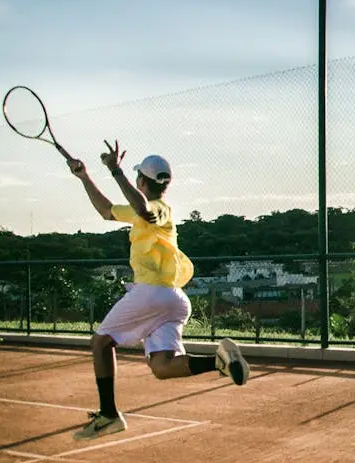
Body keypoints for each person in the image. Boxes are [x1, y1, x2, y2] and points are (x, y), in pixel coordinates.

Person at [67, 140, 249, 440]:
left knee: (100, 343)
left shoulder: (160, 209)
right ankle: (220, 361)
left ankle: (109, 415)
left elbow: (143, 207)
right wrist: (84, 176)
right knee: (163, 367)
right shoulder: (143, 210)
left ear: (142, 181)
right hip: (173, 300)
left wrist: (115, 171)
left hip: (151, 292)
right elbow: (105, 211)